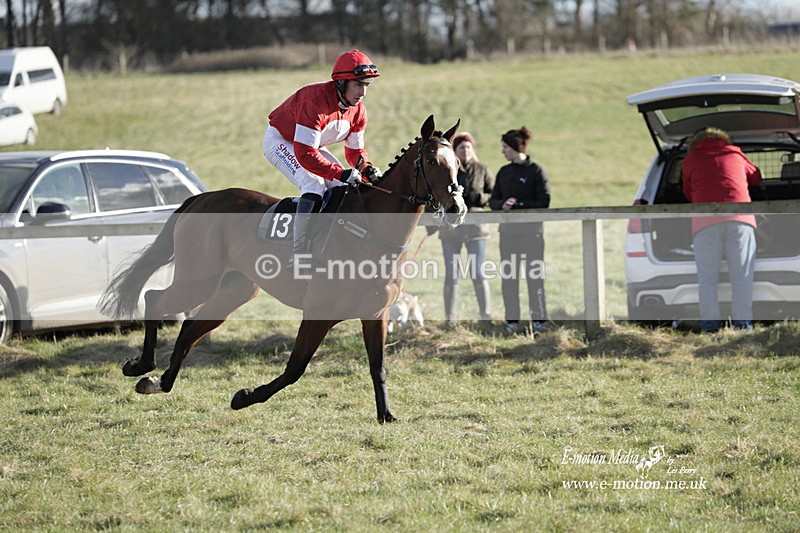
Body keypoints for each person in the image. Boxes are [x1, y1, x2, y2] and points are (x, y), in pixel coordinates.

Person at [262, 49, 382, 265]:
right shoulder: (314, 101)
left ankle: (330, 242)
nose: (363, 92)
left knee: (343, 188)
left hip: (310, 146)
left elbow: (354, 152)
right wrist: (340, 172)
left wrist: (366, 168)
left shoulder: (358, 111)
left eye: (366, 85)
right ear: (341, 83)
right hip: (282, 141)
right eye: (358, 85)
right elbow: (304, 154)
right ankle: (298, 254)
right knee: (314, 185)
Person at [681, 127, 762, 333]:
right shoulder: (735, 154)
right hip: (740, 220)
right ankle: (743, 326)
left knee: (707, 279)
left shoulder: (690, 160)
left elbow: (688, 192)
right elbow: (756, 178)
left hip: (705, 223)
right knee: (741, 276)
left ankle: (709, 327)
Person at [427, 132, 494, 325]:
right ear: (455, 151)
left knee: (478, 273)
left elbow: (493, 194)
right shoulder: (448, 169)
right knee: (452, 274)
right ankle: (450, 319)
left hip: (476, 230)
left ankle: (486, 317)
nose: (465, 150)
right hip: (451, 230)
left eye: (468, 147)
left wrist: (478, 199)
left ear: (472, 150)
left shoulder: (482, 170)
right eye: (461, 147)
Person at [489, 126, 551, 334]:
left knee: (535, 277)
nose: (503, 151)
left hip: (532, 234)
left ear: (516, 148)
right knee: (509, 278)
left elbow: (544, 201)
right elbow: (493, 199)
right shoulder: (503, 172)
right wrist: (502, 205)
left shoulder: (536, 171)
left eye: (505, 147)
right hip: (507, 234)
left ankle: (539, 321)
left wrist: (520, 205)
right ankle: (512, 321)